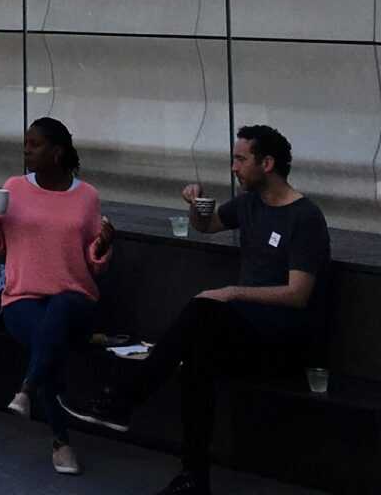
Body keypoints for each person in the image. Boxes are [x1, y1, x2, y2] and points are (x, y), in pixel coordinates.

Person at [65, 123, 330, 495]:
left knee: (204, 310)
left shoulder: (305, 218)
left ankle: (122, 400)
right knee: (195, 362)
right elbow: (208, 225)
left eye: (241, 159)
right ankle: (193, 478)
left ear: (267, 163)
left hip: (281, 342)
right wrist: (194, 206)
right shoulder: (250, 204)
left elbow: (298, 294)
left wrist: (232, 293)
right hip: (244, 331)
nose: (234, 168)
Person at [0, 116, 117, 477]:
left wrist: (102, 246)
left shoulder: (86, 197)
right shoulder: (13, 189)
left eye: (35, 144)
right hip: (22, 297)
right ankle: (61, 440)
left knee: (63, 308)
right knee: (47, 339)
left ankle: (27, 388)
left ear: (57, 152)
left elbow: (92, 260)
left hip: (75, 299)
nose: (27, 150)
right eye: (26, 143)